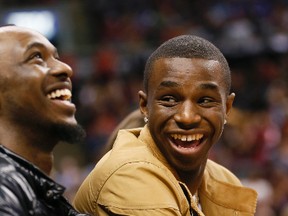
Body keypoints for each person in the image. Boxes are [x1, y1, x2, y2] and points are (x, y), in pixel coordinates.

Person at [73, 35, 258, 215]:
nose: (187, 117)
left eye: (205, 100)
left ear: (227, 108)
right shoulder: (129, 176)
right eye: (169, 99)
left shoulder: (225, 180)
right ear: (145, 105)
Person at [0, 25, 89, 216]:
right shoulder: (5, 187)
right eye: (36, 57)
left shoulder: (34, 190)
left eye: (56, 58)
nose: (65, 68)